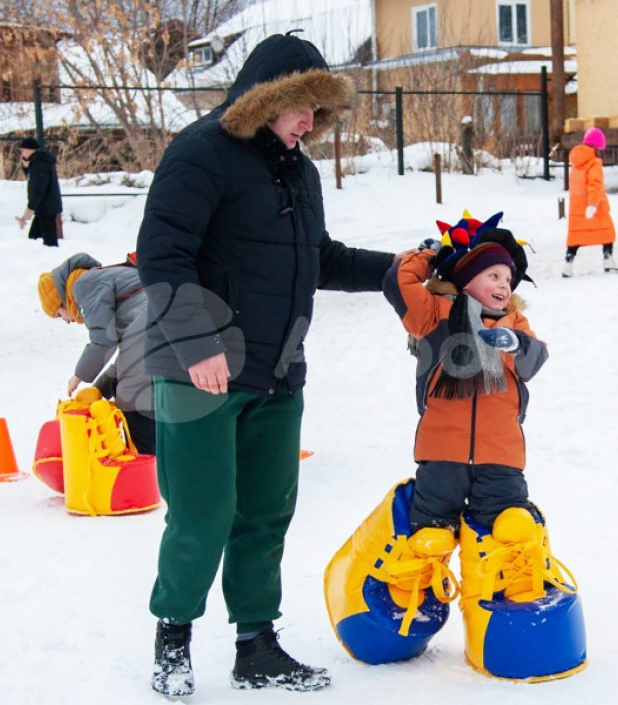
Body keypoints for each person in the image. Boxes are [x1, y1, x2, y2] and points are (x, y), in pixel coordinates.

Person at [135, 32, 399, 697]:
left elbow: (322, 259)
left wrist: (400, 271)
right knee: (202, 512)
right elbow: (163, 254)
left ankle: (256, 643)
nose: (311, 121)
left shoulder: (300, 171)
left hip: (278, 371)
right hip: (200, 371)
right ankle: (174, 637)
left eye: (319, 109)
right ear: (266, 96)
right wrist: (196, 346)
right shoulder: (200, 152)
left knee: (265, 511)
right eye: (302, 105)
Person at [383, 216, 549, 536]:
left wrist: (516, 343)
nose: (504, 284)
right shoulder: (433, 316)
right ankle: (417, 583)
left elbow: (535, 360)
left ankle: (512, 585)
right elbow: (397, 281)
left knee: (508, 531)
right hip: (442, 452)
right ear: (467, 279)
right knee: (430, 535)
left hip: (501, 455)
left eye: (508, 278)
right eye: (493, 275)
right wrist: (431, 258)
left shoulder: (514, 322)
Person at [37, 252, 155, 454]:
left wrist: (79, 375)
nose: (66, 320)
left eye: (59, 314)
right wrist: (100, 389)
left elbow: (104, 341)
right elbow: (126, 359)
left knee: (132, 397)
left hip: (153, 325)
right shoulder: (97, 278)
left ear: (61, 299)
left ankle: (147, 468)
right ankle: (157, 463)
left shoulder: (83, 285)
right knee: (141, 392)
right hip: (163, 323)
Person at [563, 128, 618, 277]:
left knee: (575, 236)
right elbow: (595, 184)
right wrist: (593, 204)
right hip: (595, 206)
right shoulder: (594, 162)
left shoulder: (576, 163)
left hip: (577, 208)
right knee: (607, 232)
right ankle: (608, 260)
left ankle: (568, 265)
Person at [15, 137, 63, 247]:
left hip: (45, 207)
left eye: (23, 150)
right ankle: (42, 256)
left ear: (30, 150)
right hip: (45, 207)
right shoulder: (40, 161)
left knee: (48, 241)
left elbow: (38, 188)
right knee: (35, 237)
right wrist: (27, 167)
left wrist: (30, 208)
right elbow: (34, 179)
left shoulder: (39, 163)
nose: (22, 153)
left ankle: (50, 257)